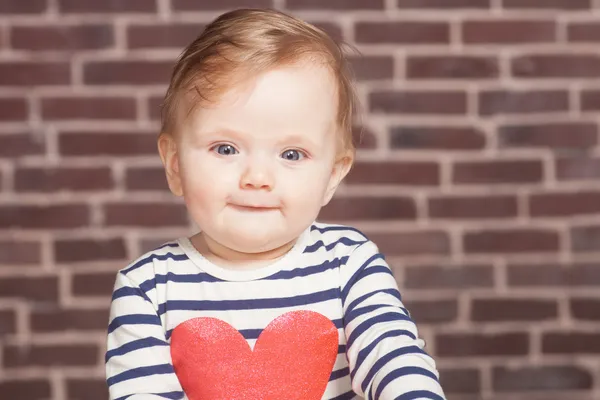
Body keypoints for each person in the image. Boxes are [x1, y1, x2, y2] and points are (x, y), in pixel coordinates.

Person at [105, 8, 446, 400]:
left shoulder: (348, 262)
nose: (257, 177)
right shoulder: (147, 287)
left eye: (292, 154)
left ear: (333, 175)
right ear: (176, 164)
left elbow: (393, 357)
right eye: (226, 148)